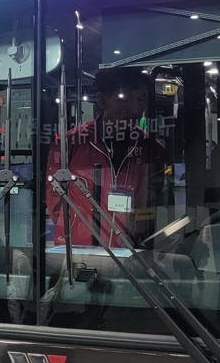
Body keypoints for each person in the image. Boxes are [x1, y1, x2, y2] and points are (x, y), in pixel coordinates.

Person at [45, 68, 167, 249]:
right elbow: (55, 196)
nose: (135, 109)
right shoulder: (72, 142)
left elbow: (154, 199)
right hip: (78, 248)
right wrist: (74, 230)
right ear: (102, 101)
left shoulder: (151, 148)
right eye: (125, 99)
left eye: (141, 99)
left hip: (130, 247)